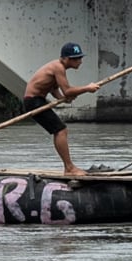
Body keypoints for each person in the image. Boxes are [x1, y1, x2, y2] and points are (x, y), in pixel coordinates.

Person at [21, 43, 101, 177]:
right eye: (76, 59)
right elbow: (68, 90)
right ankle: (69, 168)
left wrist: (62, 97)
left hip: (36, 100)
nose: (80, 62)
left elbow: (52, 87)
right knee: (60, 130)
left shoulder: (56, 67)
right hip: (33, 101)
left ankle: (69, 167)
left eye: (80, 58)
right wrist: (87, 88)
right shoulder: (58, 67)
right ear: (65, 59)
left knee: (60, 130)